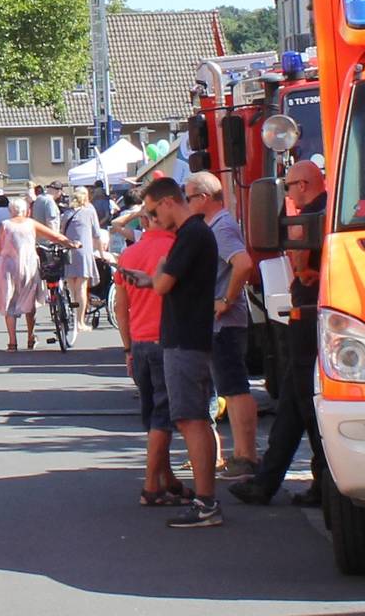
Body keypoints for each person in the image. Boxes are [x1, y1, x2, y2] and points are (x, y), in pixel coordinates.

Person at [234, 159, 326, 508]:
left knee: (306, 401)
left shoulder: (312, 216)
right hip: (311, 314)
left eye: (288, 186)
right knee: (292, 401)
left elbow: (300, 263)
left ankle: (325, 482)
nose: (287, 193)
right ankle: (267, 482)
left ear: (303, 185)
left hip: (309, 316)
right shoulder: (328, 209)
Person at [155, 173, 226, 529]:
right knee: (193, 418)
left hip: (185, 340)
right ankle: (206, 500)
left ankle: (206, 502)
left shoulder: (191, 234)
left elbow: (163, 283)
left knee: (190, 419)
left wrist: (156, 272)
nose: (154, 220)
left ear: (168, 202)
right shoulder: (196, 233)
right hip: (189, 337)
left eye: (154, 212)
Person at [118, 176, 185, 505]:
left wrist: (127, 347)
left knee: (153, 417)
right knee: (165, 417)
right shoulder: (176, 249)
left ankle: (167, 479)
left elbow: (121, 306)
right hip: (168, 339)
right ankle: (151, 486)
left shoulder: (129, 254)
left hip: (140, 341)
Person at [205, 179, 260, 478]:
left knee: (235, 389)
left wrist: (226, 299)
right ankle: (243, 455)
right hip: (224, 322)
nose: (186, 203)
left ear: (204, 197)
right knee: (232, 387)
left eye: (189, 197)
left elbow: (243, 263)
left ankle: (245, 456)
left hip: (225, 322)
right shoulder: (218, 226)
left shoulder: (221, 228)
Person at [0, 194, 77, 352]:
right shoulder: (30, 223)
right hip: (28, 265)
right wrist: (71, 243)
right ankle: (30, 337)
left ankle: (12, 342)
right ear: (26, 211)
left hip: (8, 266)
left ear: (11, 211)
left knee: (9, 301)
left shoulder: (5, 225)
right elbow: (54, 236)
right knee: (29, 299)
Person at [61, 187, 106, 337]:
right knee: (81, 288)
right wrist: (101, 253)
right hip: (83, 251)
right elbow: (97, 235)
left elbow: (61, 233)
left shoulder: (66, 213)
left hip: (68, 252)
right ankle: (80, 322)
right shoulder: (89, 212)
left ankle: (73, 319)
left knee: (71, 289)